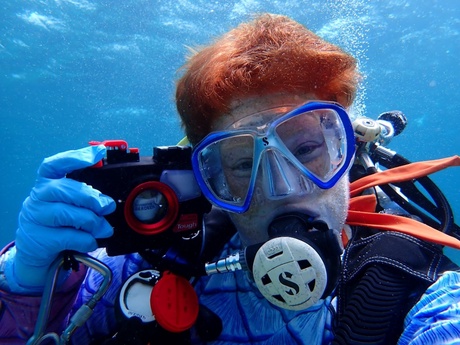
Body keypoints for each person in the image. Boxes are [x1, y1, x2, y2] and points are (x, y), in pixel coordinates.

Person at [1, 13, 460, 345]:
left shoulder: (411, 281)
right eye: (242, 164)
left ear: (344, 146)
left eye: (305, 150)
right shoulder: (166, 264)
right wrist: (29, 284)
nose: (285, 189)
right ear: (209, 179)